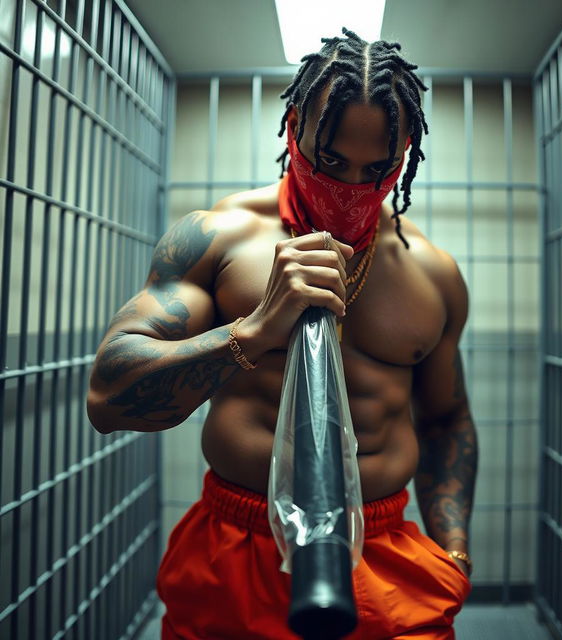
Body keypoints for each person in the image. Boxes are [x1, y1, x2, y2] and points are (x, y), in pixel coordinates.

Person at [86, 28, 478, 640]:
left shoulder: (433, 274)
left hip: (384, 551)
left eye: (376, 169)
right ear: (295, 127)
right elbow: (108, 400)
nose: (351, 187)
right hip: (238, 543)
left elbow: (446, 418)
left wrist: (454, 551)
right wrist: (255, 330)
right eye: (330, 161)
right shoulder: (217, 239)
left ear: (404, 155)